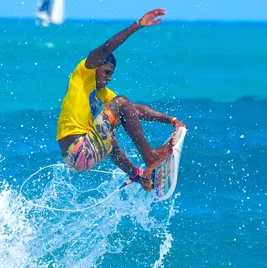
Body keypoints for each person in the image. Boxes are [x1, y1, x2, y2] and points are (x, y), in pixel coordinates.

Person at [56, 8, 187, 192]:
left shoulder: (101, 93)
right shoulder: (82, 74)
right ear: (95, 67)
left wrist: (171, 120)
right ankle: (150, 156)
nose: (109, 78)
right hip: (77, 150)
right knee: (121, 102)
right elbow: (107, 47)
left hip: (78, 157)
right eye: (107, 72)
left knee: (112, 134)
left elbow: (134, 110)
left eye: (111, 74)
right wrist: (138, 25)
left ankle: (137, 175)